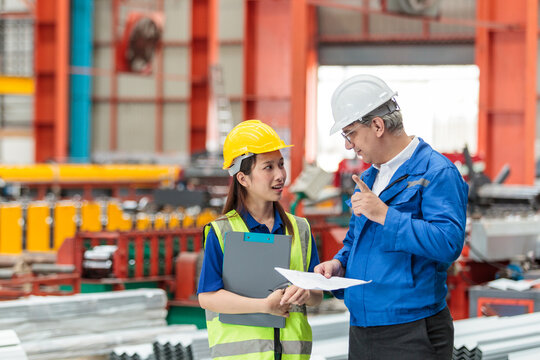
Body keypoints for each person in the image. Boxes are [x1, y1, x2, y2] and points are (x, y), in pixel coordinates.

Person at [314, 74, 468, 360]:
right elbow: (356, 240)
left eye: (350, 133)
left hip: (412, 331)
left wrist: (386, 215)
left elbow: (449, 243)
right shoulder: (371, 177)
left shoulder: (436, 172)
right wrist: (339, 263)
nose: (349, 145)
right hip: (363, 326)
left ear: (377, 125)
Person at [197, 119, 323, 360]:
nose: (280, 175)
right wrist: (265, 306)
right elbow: (208, 297)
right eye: (268, 167)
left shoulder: (301, 229)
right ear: (243, 178)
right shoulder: (222, 231)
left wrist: (307, 292)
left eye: (281, 164)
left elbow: (317, 296)